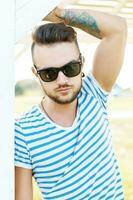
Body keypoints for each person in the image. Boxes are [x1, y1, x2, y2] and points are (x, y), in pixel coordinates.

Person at [15, 2, 127, 200]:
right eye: (49, 73)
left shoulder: (93, 93)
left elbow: (118, 29)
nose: (62, 80)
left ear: (81, 62)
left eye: (70, 68)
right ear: (35, 73)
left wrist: (60, 14)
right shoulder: (23, 131)